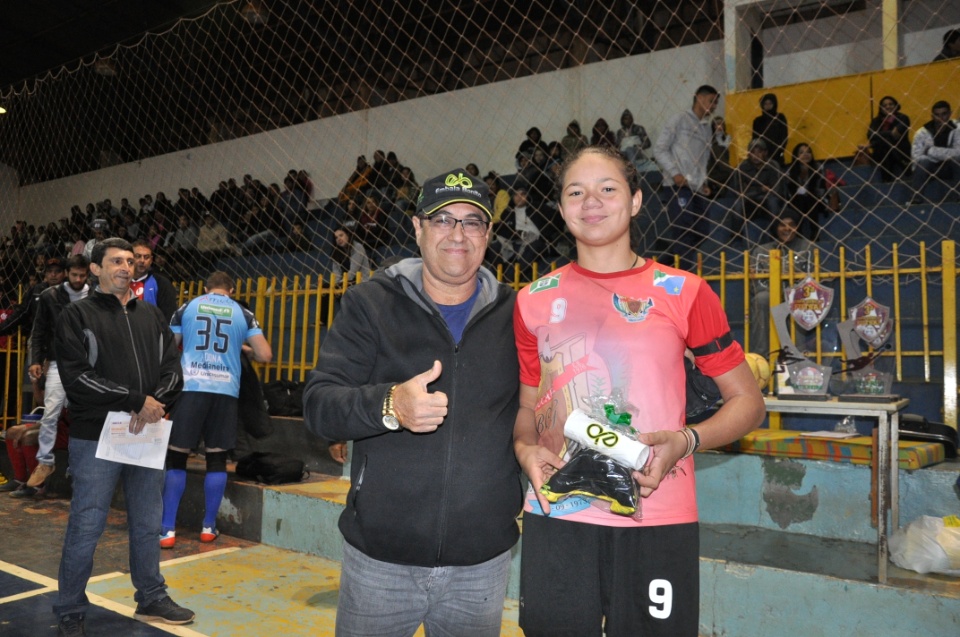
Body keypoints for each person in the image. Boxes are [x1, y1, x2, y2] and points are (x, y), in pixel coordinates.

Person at [512, 146, 765, 637]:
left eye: (608, 189)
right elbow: (527, 408)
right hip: (558, 511)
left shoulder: (684, 292)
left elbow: (748, 403)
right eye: (576, 192)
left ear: (635, 201)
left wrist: (685, 441)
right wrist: (525, 450)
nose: (592, 202)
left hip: (657, 518)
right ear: (562, 209)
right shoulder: (532, 301)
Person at [302, 168, 522, 637]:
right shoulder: (370, 303)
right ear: (418, 228)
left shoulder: (517, 314)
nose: (458, 234)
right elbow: (320, 405)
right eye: (443, 220)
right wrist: (389, 405)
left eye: (472, 221)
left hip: (481, 563)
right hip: (381, 560)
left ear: (488, 234)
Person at [53, 237, 194, 635]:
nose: (125, 267)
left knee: (148, 521)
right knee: (87, 523)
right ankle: (69, 607)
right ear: (95, 269)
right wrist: (136, 400)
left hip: (146, 430)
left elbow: (173, 370)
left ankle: (150, 595)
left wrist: (156, 403)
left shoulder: (151, 315)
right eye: (116, 261)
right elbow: (78, 379)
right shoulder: (75, 316)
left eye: (130, 261)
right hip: (97, 434)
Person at [160, 271, 272, 549]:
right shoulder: (243, 313)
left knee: (176, 458)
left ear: (207, 288)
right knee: (217, 458)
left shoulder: (187, 308)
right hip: (225, 392)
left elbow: (169, 349)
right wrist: (243, 349)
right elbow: (265, 356)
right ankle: (209, 527)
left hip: (191, 388)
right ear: (231, 289)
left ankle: (167, 530)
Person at [19, 255, 91, 494]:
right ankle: (45, 462)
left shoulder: (96, 297)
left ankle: (78, 465)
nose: (78, 279)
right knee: (50, 413)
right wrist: (36, 361)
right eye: (74, 275)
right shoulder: (50, 297)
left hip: (87, 365)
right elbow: (39, 331)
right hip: (59, 363)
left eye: (82, 275)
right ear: (66, 274)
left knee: (82, 415)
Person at [654, 84, 720, 270]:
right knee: (684, 230)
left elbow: (703, 159)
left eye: (716, 103)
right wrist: (675, 173)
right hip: (677, 186)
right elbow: (659, 149)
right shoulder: (679, 120)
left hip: (696, 187)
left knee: (703, 230)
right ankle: (684, 274)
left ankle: (664, 263)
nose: (714, 106)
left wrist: (704, 182)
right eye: (711, 101)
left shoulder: (706, 128)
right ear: (699, 98)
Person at [748, 209, 815, 355]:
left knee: (801, 302)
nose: (787, 229)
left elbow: (811, 281)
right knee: (762, 298)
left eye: (792, 225)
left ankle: (798, 354)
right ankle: (762, 355)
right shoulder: (761, 250)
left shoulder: (807, 248)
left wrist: (791, 294)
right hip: (770, 297)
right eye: (782, 225)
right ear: (775, 227)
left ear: (797, 227)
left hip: (798, 297)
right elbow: (757, 285)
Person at [784, 143, 839, 241]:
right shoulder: (791, 172)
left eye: (808, 152)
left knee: (810, 199)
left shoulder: (819, 168)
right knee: (799, 199)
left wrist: (808, 193)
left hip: (817, 201)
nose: (805, 155)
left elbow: (821, 190)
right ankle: (798, 234)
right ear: (796, 155)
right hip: (797, 203)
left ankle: (815, 233)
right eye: (801, 152)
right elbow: (789, 194)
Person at [734, 138, 783, 245]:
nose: (756, 155)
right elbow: (739, 190)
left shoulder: (773, 165)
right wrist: (760, 189)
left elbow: (775, 189)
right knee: (737, 205)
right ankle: (736, 235)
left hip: (768, 198)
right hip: (749, 199)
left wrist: (751, 188)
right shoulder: (742, 167)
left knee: (773, 203)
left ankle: (776, 234)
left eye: (759, 152)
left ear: (765, 153)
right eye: (752, 152)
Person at [910, 100, 960, 203]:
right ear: (932, 116)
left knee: (957, 160)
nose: (940, 118)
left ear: (950, 114)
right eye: (937, 115)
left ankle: (958, 199)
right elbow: (916, 159)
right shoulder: (922, 133)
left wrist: (931, 151)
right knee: (923, 162)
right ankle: (916, 200)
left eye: (944, 114)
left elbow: (959, 152)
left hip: (950, 168)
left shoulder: (957, 130)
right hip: (930, 169)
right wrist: (946, 154)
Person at [131, 240, 179, 321]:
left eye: (146, 257)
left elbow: (169, 316)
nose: (142, 260)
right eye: (138, 256)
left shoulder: (162, 284)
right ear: (130, 258)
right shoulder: (119, 281)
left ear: (151, 260)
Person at [868, 96, 912, 183]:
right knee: (886, 143)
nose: (888, 107)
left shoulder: (903, 118)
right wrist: (890, 133)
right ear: (881, 108)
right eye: (884, 105)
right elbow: (870, 135)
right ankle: (903, 164)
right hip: (881, 152)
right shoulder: (876, 121)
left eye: (891, 104)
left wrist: (879, 135)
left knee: (887, 143)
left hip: (900, 149)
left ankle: (886, 179)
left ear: (896, 106)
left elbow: (899, 132)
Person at [752, 92, 789, 166]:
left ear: (774, 104)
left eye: (770, 103)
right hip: (762, 155)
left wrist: (779, 150)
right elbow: (755, 138)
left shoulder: (780, 117)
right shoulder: (757, 121)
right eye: (765, 104)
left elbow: (784, 135)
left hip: (778, 154)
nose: (768, 106)